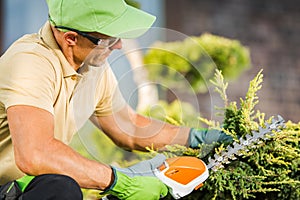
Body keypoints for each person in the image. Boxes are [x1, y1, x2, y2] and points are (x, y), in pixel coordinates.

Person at [0, 0, 232, 199]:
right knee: (61, 189)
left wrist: (195, 138)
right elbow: (36, 153)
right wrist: (119, 182)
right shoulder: (29, 62)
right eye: (109, 40)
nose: (119, 45)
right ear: (71, 38)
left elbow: (128, 127)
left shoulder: (91, 66)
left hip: (21, 188)